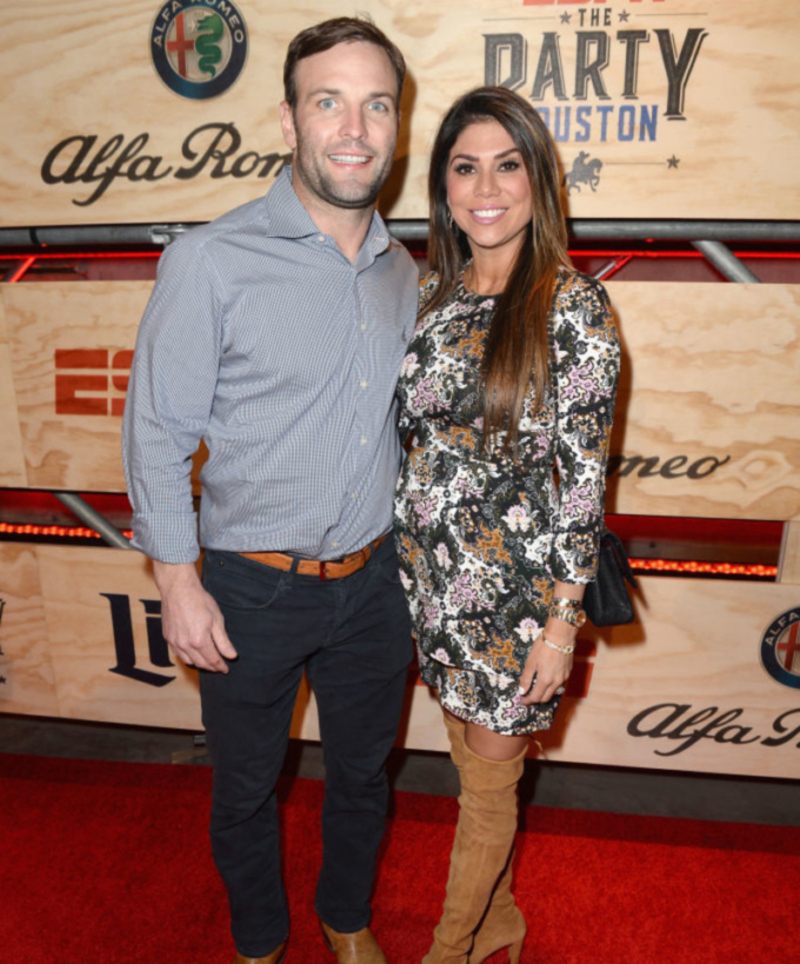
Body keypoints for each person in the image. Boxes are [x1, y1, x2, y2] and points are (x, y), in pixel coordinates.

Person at [122, 17, 418, 964]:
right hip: (250, 587)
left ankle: (346, 918)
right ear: (288, 121)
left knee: (366, 776)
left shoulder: (405, 272)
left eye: (377, 105)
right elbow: (157, 432)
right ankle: (258, 942)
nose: (354, 129)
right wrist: (177, 580)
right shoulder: (210, 259)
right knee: (246, 788)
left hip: (377, 587)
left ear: (396, 127)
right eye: (328, 102)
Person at [394, 87, 620, 964]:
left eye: (507, 164)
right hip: (431, 593)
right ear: (444, 186)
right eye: (464, 166)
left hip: (517, 611)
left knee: (487, 795)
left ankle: (447, 951)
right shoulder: (433, 299)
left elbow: (581, 481)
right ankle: (502, 934)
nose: (485, 186)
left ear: (538, 180)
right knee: (471, 777)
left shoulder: (575, 309)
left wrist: (561, 625)